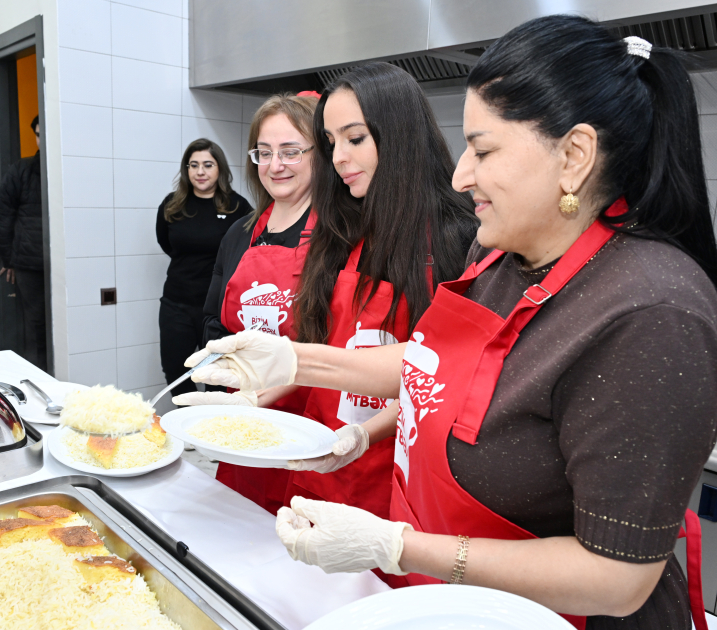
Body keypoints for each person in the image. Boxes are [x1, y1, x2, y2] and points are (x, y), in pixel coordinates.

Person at [186, 16, 717, 629]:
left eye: (484, 150)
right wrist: (296, 362)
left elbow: (617, 579)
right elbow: (427, 365)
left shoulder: (650, 308)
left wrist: (395, 546)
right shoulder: (501, 257)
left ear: (574, 157)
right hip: (448, 599)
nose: (462, 174)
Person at [182, 63, 477, 523]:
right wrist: (252, 402)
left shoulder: (457, 237)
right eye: (332, 142)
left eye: (354, 139)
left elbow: (441, 371)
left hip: (396, 474)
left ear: (398, 132)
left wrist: (365, 435)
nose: (339, 157)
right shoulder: (344, 232)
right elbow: (325, 347)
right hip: (323, 456)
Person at [173, 92, 320, 515]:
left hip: (308, 424)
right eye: (264, 152)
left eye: (290, 151)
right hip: (246, 418)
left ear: (319, 155)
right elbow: (214, 317)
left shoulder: (338, 236)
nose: (276, 165)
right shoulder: (241, 232)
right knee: (242, 521)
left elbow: (339, 340)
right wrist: (223, 375)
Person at [156, 139, 251, 398]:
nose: (200, 172)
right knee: (175, 373)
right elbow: (167, 243)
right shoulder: (172, 205)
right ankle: (189, 428)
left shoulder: (238, 208)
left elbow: (250, 252)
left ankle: (212, 432)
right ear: (186, 169)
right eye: (194, 165)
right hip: (177, 304)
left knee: (217, 377)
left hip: (219, 310)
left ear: (219, 168)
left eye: (208, 165)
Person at [0, 115, 47, 371]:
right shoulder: (20, 170)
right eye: (38, 134)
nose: (42, 139)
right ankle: (38, 380)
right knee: (36, 328)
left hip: (64, 265)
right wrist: (9, 259)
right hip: (29, 265)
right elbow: (1, 217)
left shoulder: (72, 167)